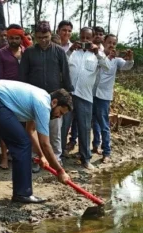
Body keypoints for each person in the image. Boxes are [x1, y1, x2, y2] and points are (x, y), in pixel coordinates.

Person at [0, 80, 71, 203]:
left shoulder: (40, 98)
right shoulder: (44, 104)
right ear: (54, 103)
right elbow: (45, 143)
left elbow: (30, 131)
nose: (59, 116)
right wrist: (60, 171)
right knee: (22, 144)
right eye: (61, 112)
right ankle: (23, 193)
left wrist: (41, 156)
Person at [20, 21, 73, 167]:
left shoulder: (59, 51)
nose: (43, 40)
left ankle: (56, 159)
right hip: (33, 99)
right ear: (35, 37)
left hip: (55, 98)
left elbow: (66, 74)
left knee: (54, 131)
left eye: (46, 37)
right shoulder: (29, 52)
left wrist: (68, 93)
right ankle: (36, 159)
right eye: (39, 37)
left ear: (51, 34)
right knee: (33, 130)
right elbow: (23, 76)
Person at [65, 27, 110, 170]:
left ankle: (85, 158)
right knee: (63, 126)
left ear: (92, 39)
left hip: (85, 96)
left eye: (87, 38)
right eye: (82, 37)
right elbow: (61, 62)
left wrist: (97, 52)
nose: (84, 41)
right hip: (69, 95)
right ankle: (58, 156)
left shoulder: (97, 54)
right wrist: (71, 49)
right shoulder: (73, 52)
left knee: (85, 128)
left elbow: (107, 67)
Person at [92, 34, 134, 163]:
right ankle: (95, 145)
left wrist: (130, 58)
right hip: (91, 92)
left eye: (114, 43)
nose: (111, 45)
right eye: (109, 42)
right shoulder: (97, 54)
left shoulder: (117, 60)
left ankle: (107, 152)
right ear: (104, 42)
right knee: (94, 121)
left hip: (104, 95)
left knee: (104, 123)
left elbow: (127, 66)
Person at [0, 24, 28, 169]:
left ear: (21, 38)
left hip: (24, 94)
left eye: (17, 38)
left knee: (22, 126)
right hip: (6, 93)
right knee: (5, 126)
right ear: (7, 38)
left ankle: (18, 155)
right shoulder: (1, 53)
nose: (14, 41)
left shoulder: (27, 52)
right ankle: (4, 156)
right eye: (11, 38)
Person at [57, 20, 78, 156]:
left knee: (65, 121)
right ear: (58, 30)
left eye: (69, 31)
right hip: (54, 88)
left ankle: (61, 149)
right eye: (64, 30)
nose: (67, 33)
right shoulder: (54, 45)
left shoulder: (75, 48)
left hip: (68, 90)